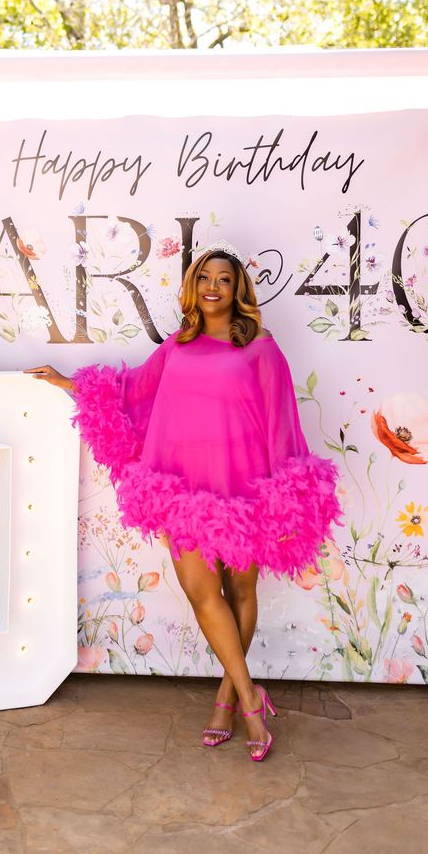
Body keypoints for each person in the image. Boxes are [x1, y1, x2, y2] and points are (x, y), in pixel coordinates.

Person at [25, 241, 343, 762]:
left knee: (240, 593)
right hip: (182, 490)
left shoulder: (260, 347)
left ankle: (226, 702)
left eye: (223, 279)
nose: (213, 287)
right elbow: (131, 391)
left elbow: (284, 421)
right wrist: (67, 383)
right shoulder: (177, 345)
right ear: (193, 288)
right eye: (204, 278)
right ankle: (251, 701)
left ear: (237, 289)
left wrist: (287, 498)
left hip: (244, 491)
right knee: (203, 595)